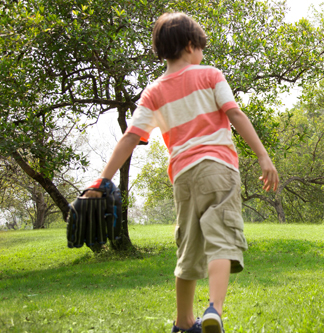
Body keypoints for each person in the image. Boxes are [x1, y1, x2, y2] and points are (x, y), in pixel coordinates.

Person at [82, 12, 279, 333]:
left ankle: (184, 322)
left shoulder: (153, 92)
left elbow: (130, 137)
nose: (202, 54)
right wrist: (263, 156)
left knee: (188, 246)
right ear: (190, 45)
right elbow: (235, 115)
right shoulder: (210, 75)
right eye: (200, 47)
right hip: (218, 168)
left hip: (183, 177)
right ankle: (214, 309)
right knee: (222, 237)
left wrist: (102, 180)